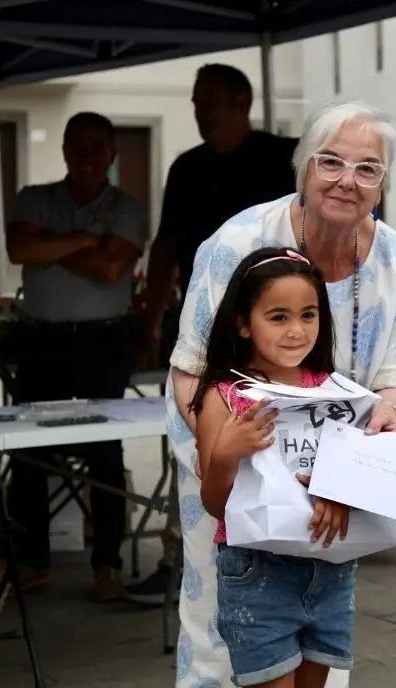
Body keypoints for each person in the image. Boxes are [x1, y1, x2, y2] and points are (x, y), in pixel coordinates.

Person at [166, 98, 396, 688]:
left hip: (335, 481)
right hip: (234, 463)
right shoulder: (238, 241)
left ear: (383, 183)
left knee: (320, 629)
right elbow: (191, 367)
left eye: (368, 169)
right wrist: (232, 451)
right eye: (330, 162)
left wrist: (386, 417)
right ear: (304, 169)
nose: (347, 180)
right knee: (221, 632)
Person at [129, 63, 297, 605]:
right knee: (195, 443)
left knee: (274, 439)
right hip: (202, 335)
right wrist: (151, 322)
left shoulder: (281, 158)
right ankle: (181, 555)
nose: (201, 113)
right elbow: (163, 251)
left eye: (212, 103)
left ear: (242, 102)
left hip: (272, 334)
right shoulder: (186, 169)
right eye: (197, 102)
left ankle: (284, 546)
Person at [194, 246, 356, 688]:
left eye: (309, 314)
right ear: (244, 323)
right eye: (278, 316)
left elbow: (361, 477)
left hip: (330, 568)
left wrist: (341, 492)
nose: (296, 331)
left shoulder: (337, 392)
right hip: (257, 574)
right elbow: (214, 504)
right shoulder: (224, 396)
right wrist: (227, 454)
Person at [5, 111, 144, 601]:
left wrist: (52, 245)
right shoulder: (33, 198)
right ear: (63, 150)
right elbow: (20, 248)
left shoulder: (127, 207)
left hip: (101, 343)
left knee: (104, 453)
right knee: (26, 452)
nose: (86, 154)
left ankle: (106, 566)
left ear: (111, 154)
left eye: (96, 145)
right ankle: (33, 562)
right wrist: (84, 240)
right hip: (39, 341)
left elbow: (110, 268)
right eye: (76, 144)